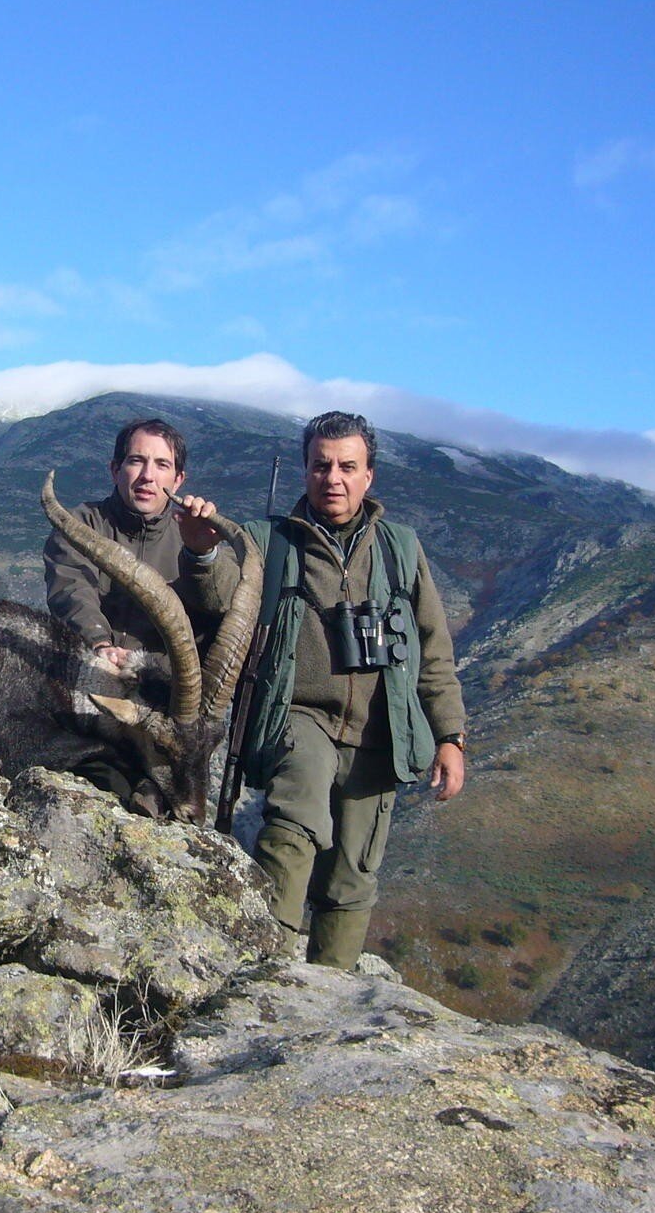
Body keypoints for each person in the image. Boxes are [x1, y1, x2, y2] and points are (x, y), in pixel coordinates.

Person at [193, 410, 466, 969]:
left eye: (347, 466)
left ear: (370, 476)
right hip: (298, 716)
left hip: (379, 731)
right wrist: (202, 551)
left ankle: (327, 999)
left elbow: (433, 649)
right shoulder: (268, 542)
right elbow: (218, 597)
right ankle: (262, 973)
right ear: (305, 471)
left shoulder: (401, 550)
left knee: (352, 876)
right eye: (321, 466)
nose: (333, 479)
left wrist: (450, 736)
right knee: (294, 826)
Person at [43, 417, 227, 807]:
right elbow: (71, 587)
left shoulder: (194, 535)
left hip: (158, 710)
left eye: (162, 465)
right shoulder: (82, 523)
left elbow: (216, 607)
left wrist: (202, 553)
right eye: (135, 461)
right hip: (89, 687)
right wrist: (98, 640)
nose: (147, 476)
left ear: (179, 479)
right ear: (115, 469)